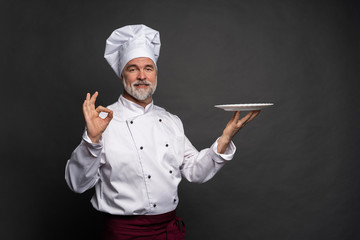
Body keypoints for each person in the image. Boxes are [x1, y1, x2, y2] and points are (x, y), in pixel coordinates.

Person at [65, 24, 260, 240]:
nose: (142, 76)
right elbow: (77, 184)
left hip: (168, 231)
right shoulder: (102, 121)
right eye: (133, 69)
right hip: (124, 234)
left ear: (156, 73)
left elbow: (195, 171)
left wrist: (224, 140)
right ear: (122, 76)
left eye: (148, 68)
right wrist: (91, 139)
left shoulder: (170, 121)